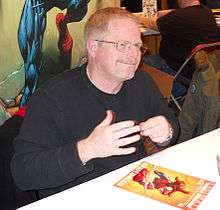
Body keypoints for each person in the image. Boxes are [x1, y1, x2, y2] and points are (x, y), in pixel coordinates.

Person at [11, 7, 179, 200]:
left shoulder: (141, 82)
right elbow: (24, 173)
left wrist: (167, 132)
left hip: (133, 190)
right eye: (122, 45)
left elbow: (170, 123)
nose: (134, 55)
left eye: (137, 46)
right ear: (93, 47)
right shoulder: (52, 97)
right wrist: (87, 149)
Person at [139, 0, 219, 80]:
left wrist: (138, 18)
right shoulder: (206, 11)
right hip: (206, 70)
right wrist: (170, 12)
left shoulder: (178, 16)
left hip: (180, 71)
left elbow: (153, 24)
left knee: (141, 62)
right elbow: (184, 13)